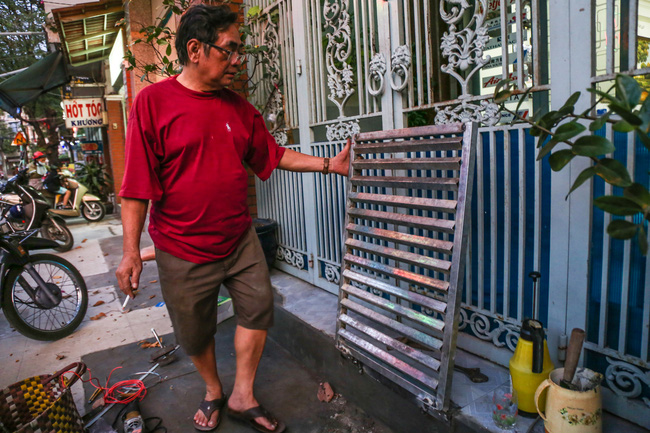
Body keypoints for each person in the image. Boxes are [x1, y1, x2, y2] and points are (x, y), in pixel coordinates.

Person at [115, 5, 350, 433]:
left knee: (258, 307)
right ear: (195, 49)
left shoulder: (239, 109)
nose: (238, 59)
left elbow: (273, 155)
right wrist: (131, 252)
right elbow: (136, 187)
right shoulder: (152, 103)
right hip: (181, 246)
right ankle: (212, 389)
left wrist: (328, 166)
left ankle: (242, 393)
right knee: (193, 333)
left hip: (238, 238)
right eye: (230, 49)